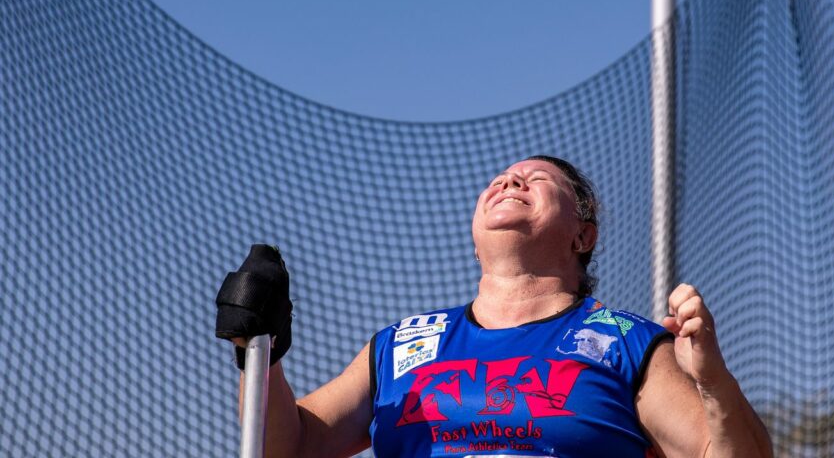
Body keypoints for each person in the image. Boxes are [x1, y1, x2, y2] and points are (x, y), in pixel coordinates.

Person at [216, 156, 773, 457]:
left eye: (536, 179)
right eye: (499, 180)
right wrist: (259, 354)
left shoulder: (629, 343)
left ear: (583, 236)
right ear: (475, 237)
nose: (509, 179)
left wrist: (715, 384)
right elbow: (284, 449)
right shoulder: (398, 345)